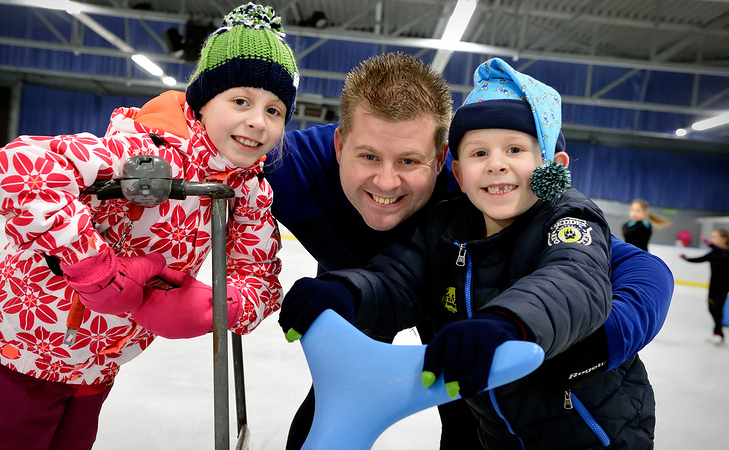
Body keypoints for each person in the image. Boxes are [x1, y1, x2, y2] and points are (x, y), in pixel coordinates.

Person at [0, 3, 297, 449]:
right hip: (21, 348)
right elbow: (11, 169)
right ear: (204, 102)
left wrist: (218, 305)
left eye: (275, 110)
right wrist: (94, 267)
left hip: (98, 367)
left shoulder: (248, 191)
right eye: (241, 101)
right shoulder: (145, 150)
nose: (258, 121)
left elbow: (260, 278)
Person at [271, 54, 669, 449]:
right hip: (494, 418)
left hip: (584, 426)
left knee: (463, 410)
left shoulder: (536, 212)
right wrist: (346, 291)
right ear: (340, 145)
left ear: (443, 162)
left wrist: (563, 340)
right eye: (368, 156)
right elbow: (399, 277)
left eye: (410, 160)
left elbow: (580, 275)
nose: (387, 180)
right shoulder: (444, 222)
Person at [681, 228, 729, 344]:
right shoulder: (713, 253)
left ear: (724, 239)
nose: (713, 239)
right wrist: (687, 258)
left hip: (724, 286)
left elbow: (724, 254)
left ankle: (717, 332)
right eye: (712, 237)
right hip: (713, 286)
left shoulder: (726, 253)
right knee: (711, 308)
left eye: (715, 237)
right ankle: (719, 332)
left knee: (718, 308)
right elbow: (700, 259)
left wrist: (711, 245)